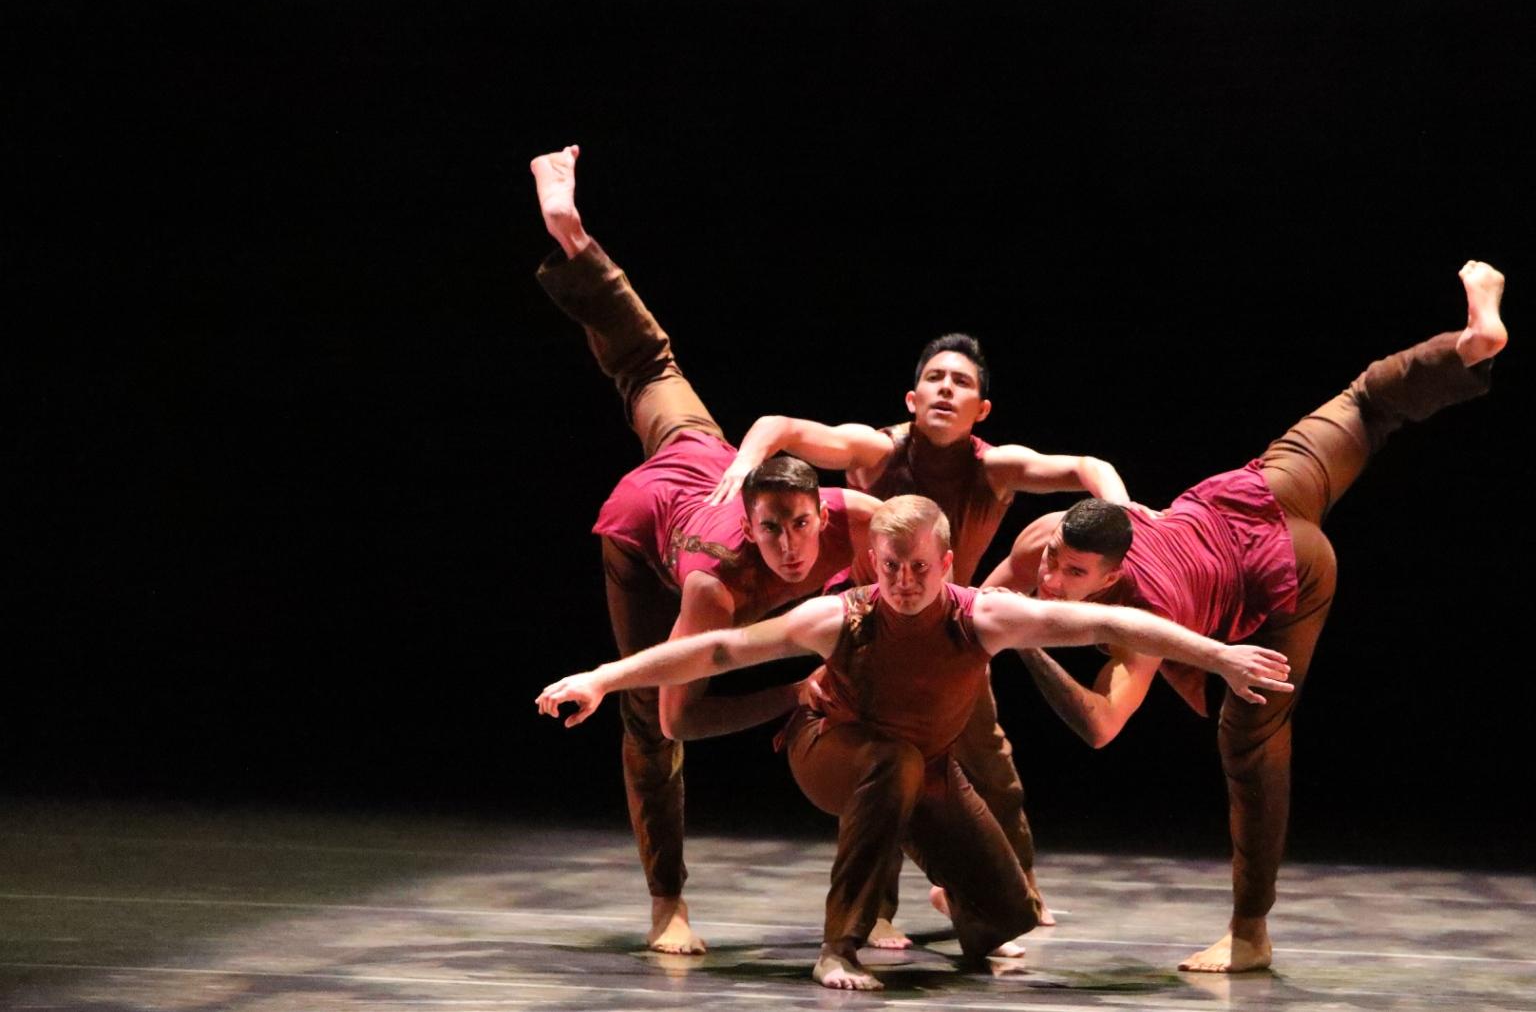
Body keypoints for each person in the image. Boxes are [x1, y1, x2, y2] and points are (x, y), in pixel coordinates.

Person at [980, 259, 1510, 974]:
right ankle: (1467, 346)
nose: (1052, 578)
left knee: (1250, 744)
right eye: (1055, 565)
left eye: (1074, 576)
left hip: (1283, 573)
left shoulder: (1138, 614)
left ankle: (1250, 933)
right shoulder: (1055, 537)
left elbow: (1104, 726)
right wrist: (984, 626)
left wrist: (1025, 645)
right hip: (1250, 493)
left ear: (1112, 572)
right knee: (1364, 403)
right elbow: (979, 604)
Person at [537, 495, 1292, 990]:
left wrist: (1217, 655)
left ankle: (963, 912)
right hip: (829, 745)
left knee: (1008, 914)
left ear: (948, 566)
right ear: (876, 565)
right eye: (891, 568)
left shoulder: (982, 616)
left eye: (919, 569)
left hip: (922, 767)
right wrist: (605, 676)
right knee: (890, 764)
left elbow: (1113, 625)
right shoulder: (840, 617)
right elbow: (719, 652)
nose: (903, 582)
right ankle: (839, 945)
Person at [529, 144, 882, 954]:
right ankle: (667, 904)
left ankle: (571, 235)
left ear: (818, 510)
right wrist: (791, 693)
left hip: (701, 456)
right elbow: (680, 714)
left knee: (649, 360)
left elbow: (917, 547)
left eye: (802, 525)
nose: (794, 548)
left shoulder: (853, 516)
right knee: (647, 727)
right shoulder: (717, 589)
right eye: (774, 532)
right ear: (752, 526)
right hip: (647, 531)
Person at [705, 334, 1127, 934]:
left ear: (982, 409)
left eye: (961, 382)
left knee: (990, 762)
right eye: (935, 378)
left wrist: (1121, 511)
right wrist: (744, 466)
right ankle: (874, 914)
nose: (946, 389)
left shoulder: (995, 466)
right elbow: (777, 424)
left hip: (947, 637)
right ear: (912, 396)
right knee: (885, 772)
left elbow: (1086, 467)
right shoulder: (875, 451)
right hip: (867, 636)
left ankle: (1018, 891)